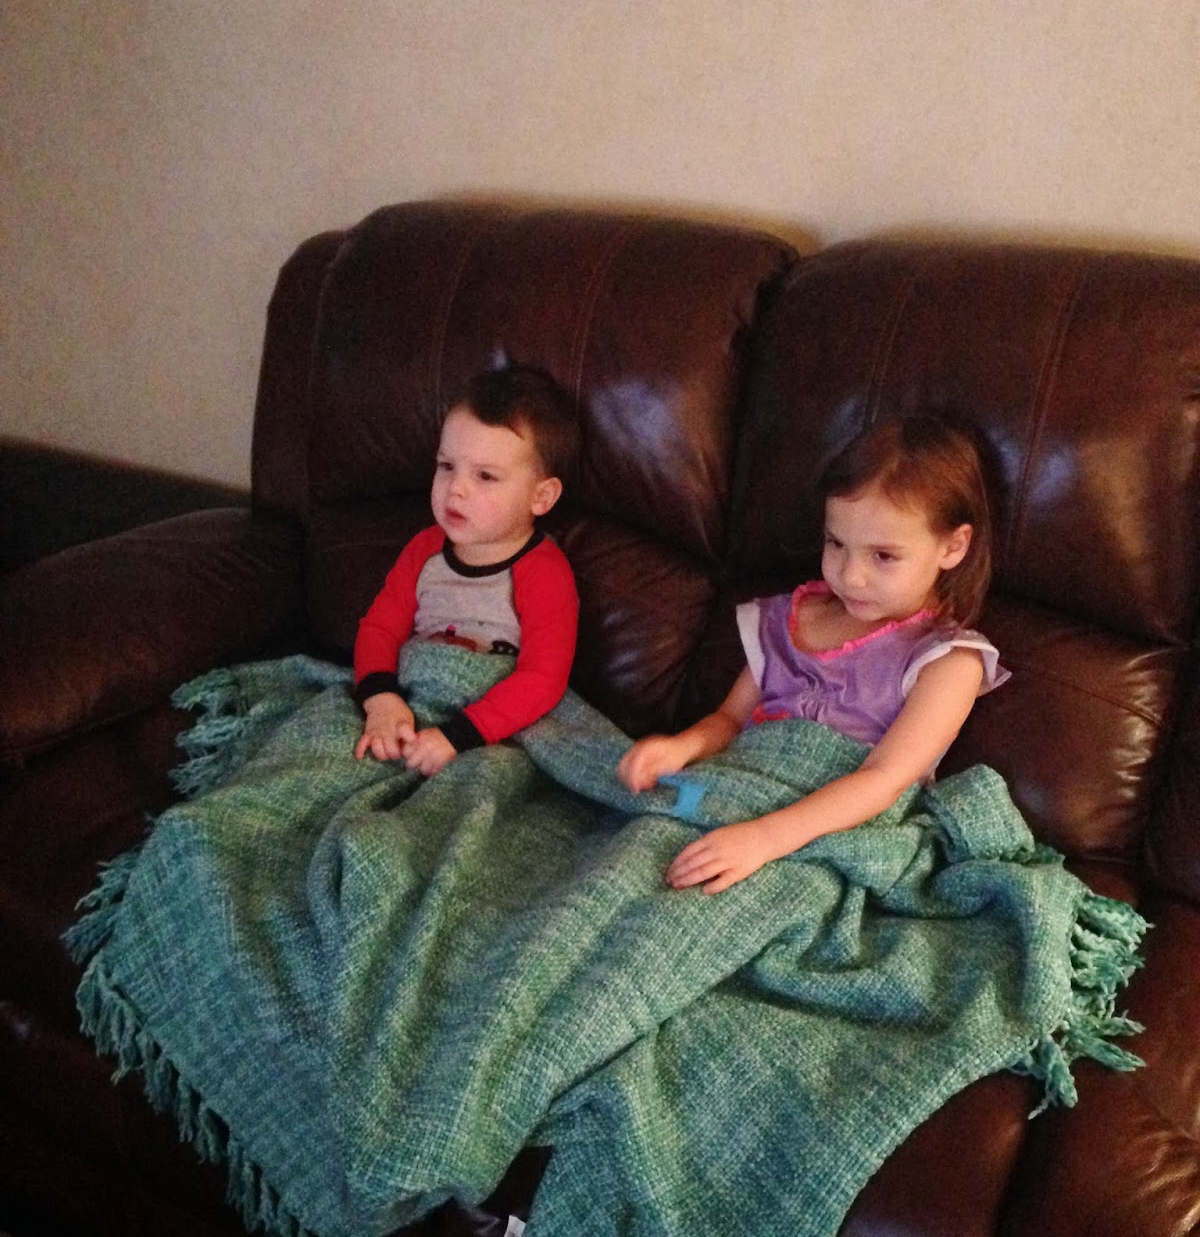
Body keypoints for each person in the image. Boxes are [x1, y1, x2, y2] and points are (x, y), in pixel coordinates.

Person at [617, 415, 1009, 893]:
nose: (851, 575)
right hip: (740, 787)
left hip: (828, 831)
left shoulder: (948, 662)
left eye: (884, 556)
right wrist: (681, 746)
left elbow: (884, 780)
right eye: (836, 543)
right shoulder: (791, 618)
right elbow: (729, 719)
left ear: (953, 545)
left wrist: (763, 838)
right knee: (634, 858)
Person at [353, 362, 580, 777]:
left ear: (541, 497)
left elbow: (543, 679)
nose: (455, 488)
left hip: (483, 728)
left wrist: (459, 735)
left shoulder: (544, 572)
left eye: (486, 476)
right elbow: (379, 629)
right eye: (446, 466)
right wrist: (380, 699)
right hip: (404, 705)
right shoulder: (423, 550)